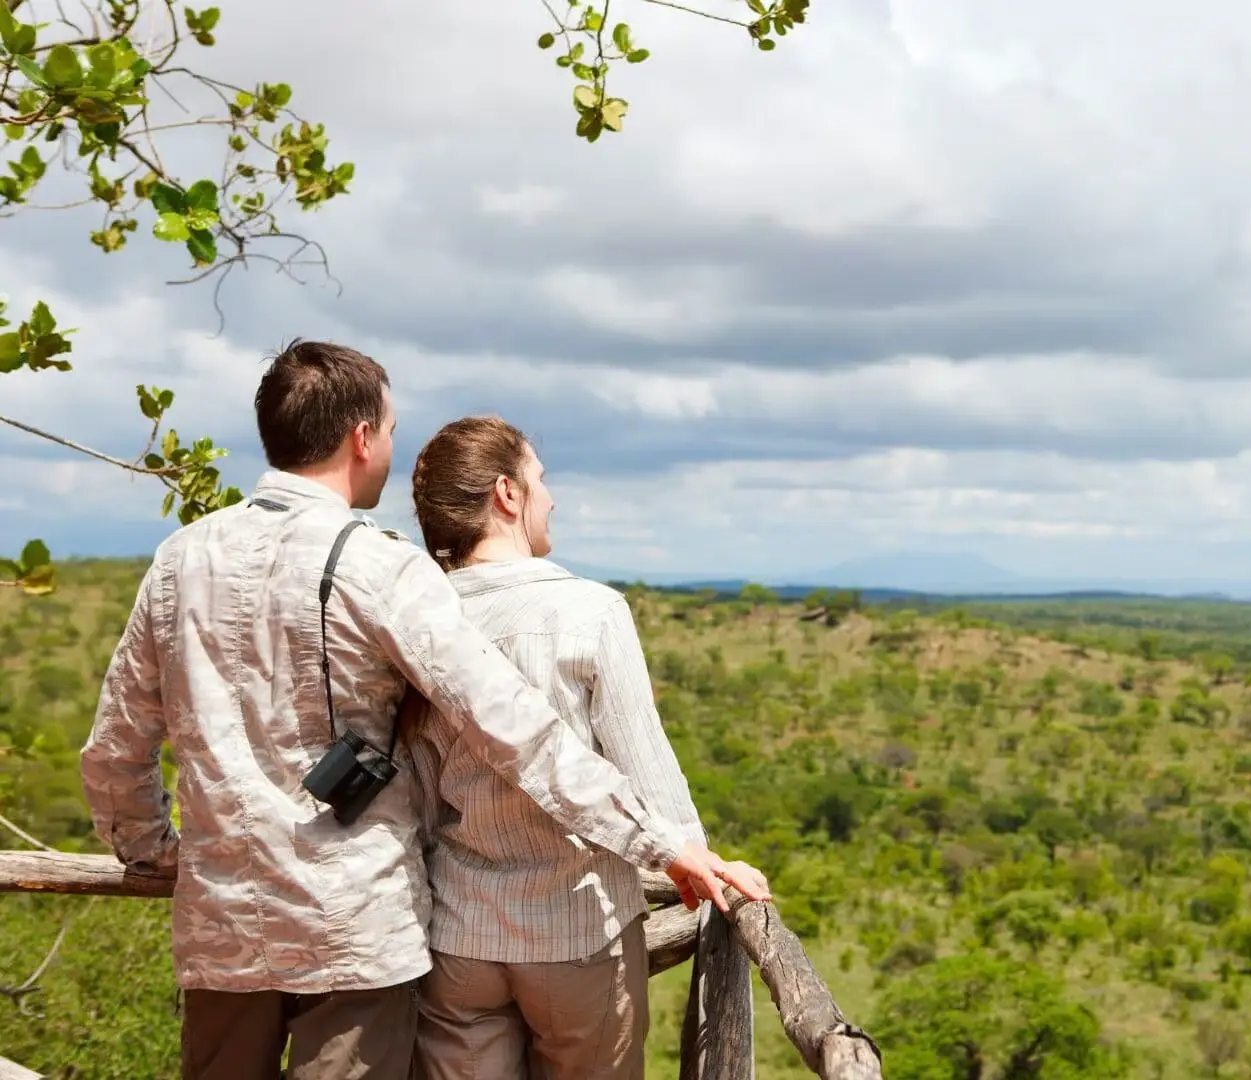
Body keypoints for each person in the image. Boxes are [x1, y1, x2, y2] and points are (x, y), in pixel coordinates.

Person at [77, 340, 768, 1080]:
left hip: (221, 926)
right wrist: (658, 841)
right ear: (361, 437)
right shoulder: (379, 564)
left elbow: (117, 747)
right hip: (354, 926)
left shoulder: (180, 557)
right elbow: (514, 727)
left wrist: (157, 851)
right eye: (392, 430)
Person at [404, 415, 768, 1080]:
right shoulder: (590, 611)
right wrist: (696, 855)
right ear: (506, 495)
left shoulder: (419, 622)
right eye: (540, 480)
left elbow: (416, 796)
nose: (551, 498)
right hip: (578, 930)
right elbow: (646, 767)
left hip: (455, 937)